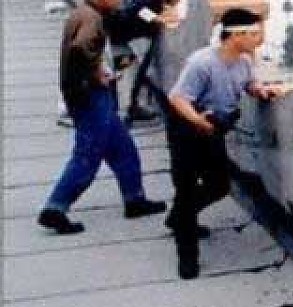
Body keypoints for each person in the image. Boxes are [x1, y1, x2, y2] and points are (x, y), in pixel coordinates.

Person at [165, 7, 278, 279]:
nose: (259, 39)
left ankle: (179, 217)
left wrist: (260, 90)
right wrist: (197, 121)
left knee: (218, 185)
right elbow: (178, 98)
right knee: (186, 189)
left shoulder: (244, 61)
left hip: (213, 128)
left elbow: (247, 84)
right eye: (254, 34)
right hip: (187, 128)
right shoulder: (202, 63)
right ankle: (187, 257)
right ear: (236, 35)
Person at [38, 0, 167, 235]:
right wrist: (96, 74)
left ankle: (135, 199)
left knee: (123, 148)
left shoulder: (86, 13)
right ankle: (55, 207)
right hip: (90, 96)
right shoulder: (92, 19)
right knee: (87, 155)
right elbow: (81, 47)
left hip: (89, 94)